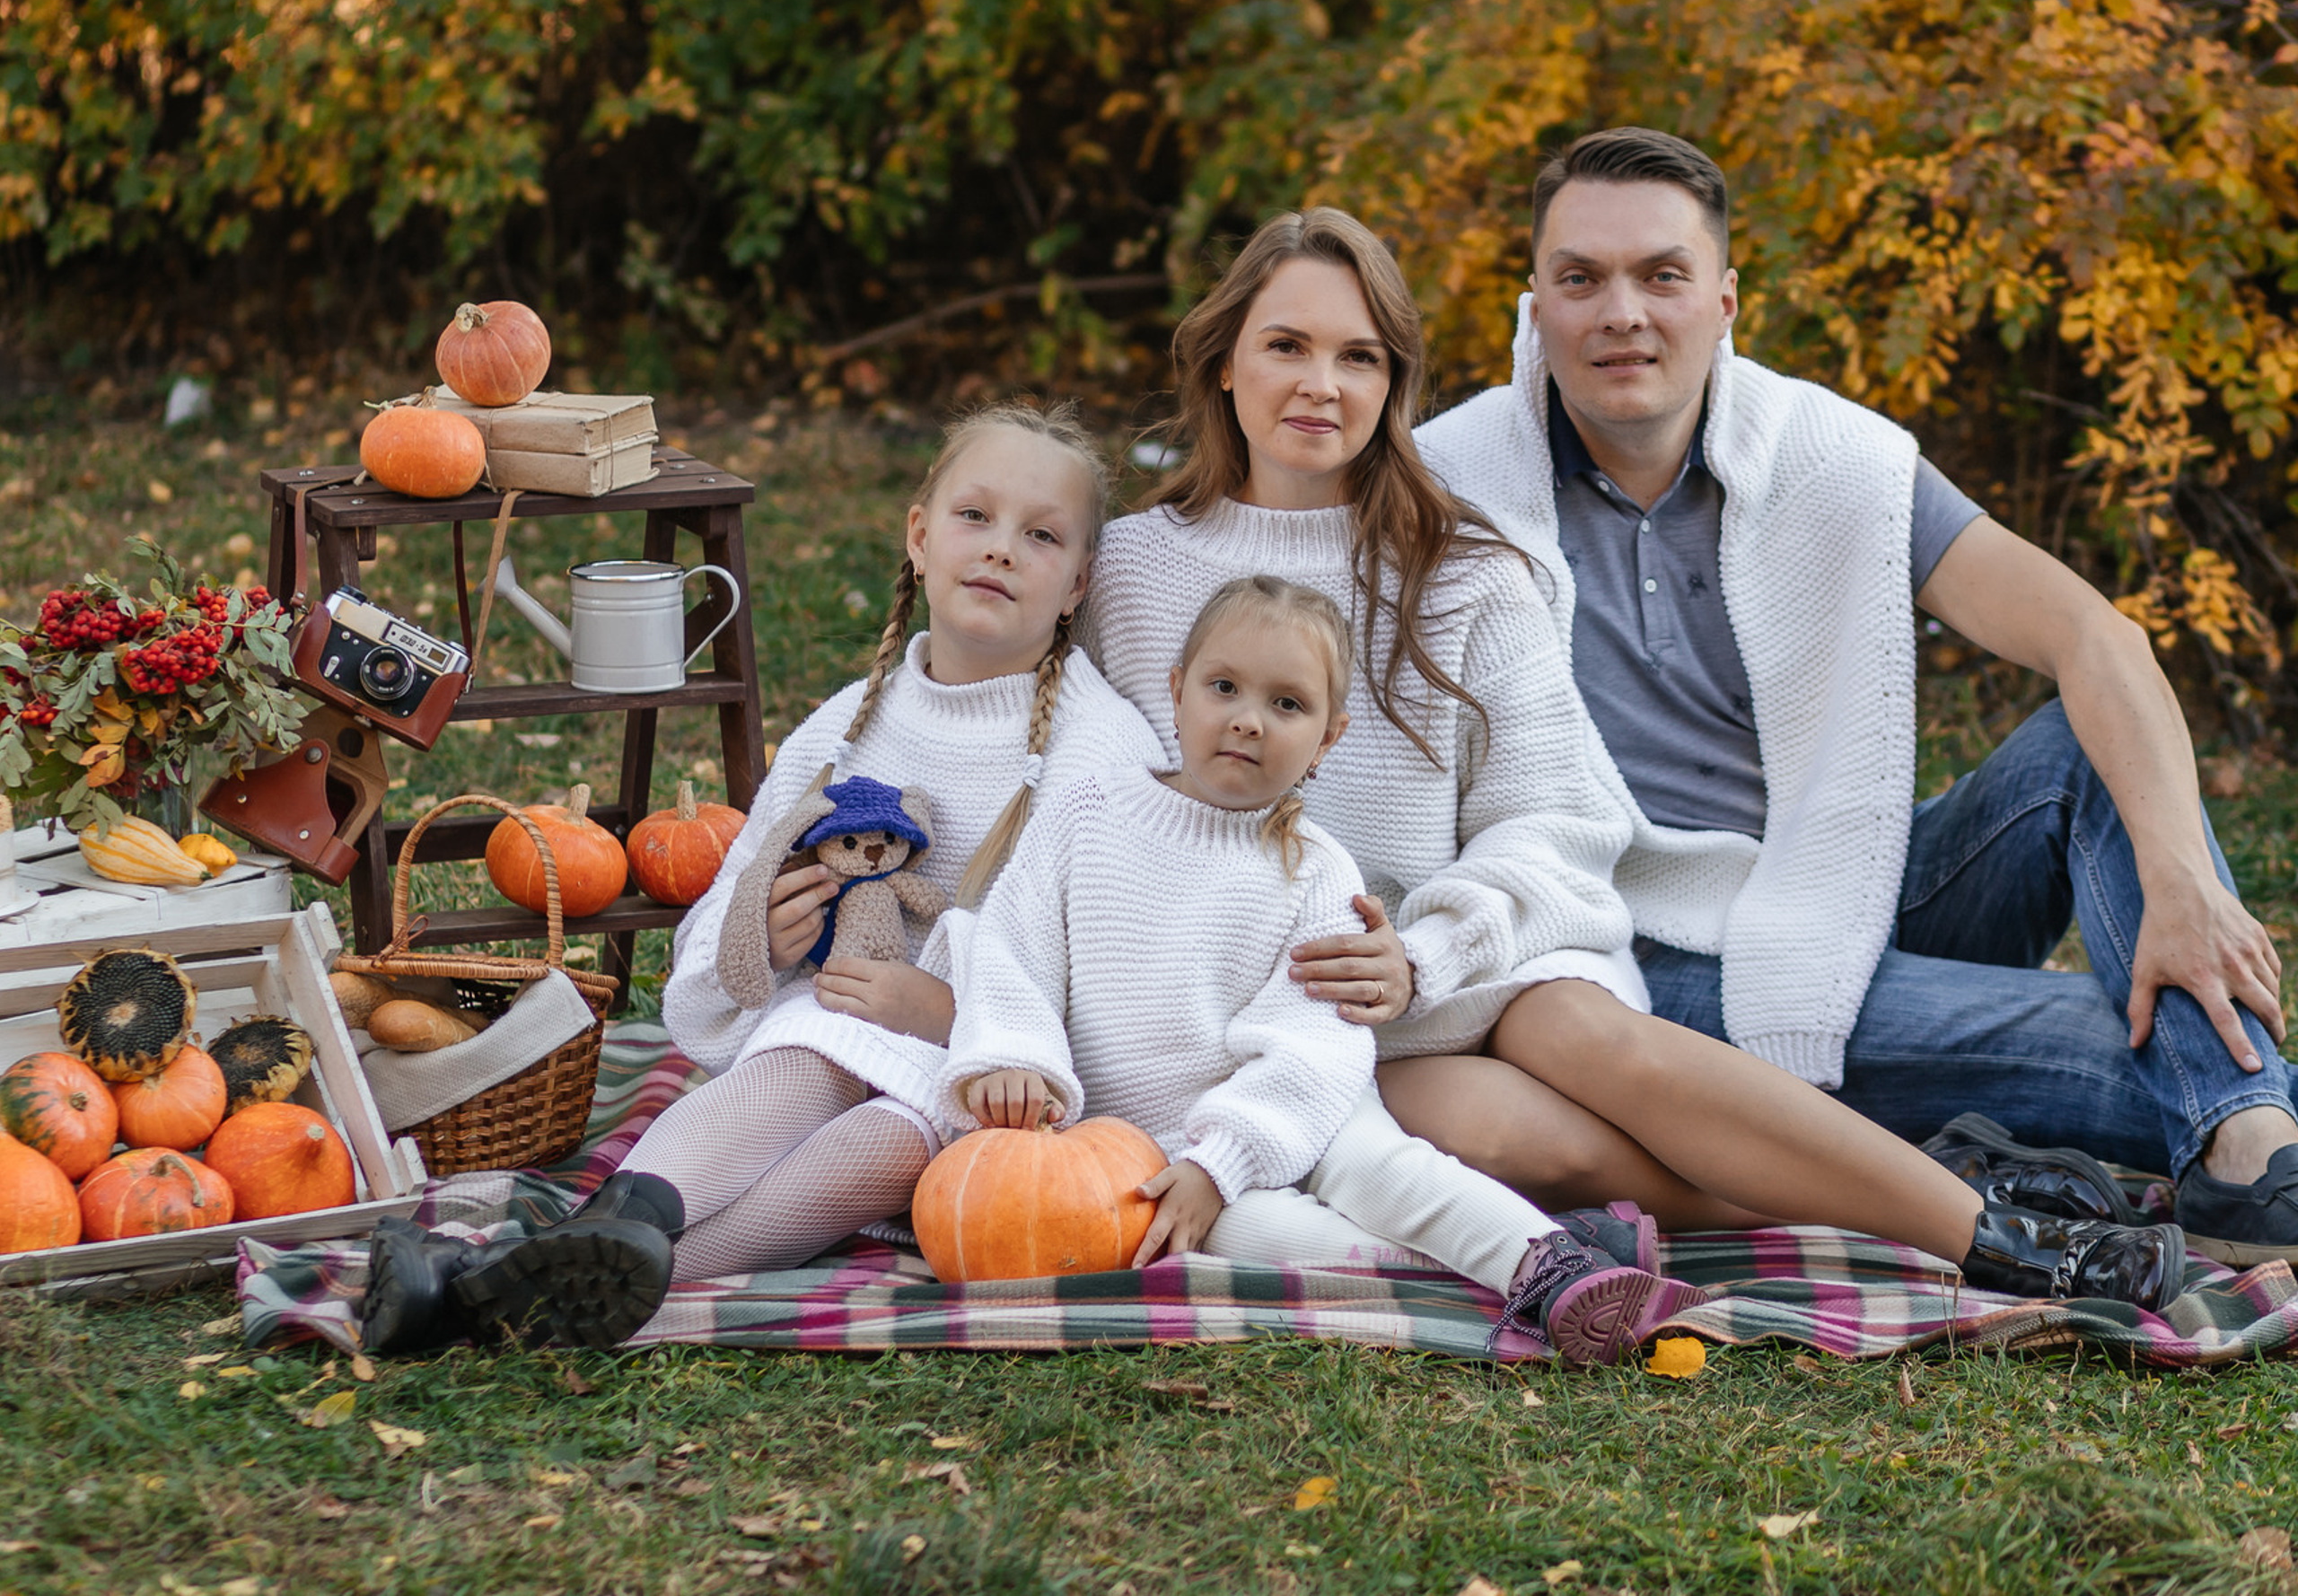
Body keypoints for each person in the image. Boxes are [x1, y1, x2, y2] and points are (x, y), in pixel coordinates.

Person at [1084, 207, 2184, 1320]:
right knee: (1496, 1134)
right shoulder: (1132, 571)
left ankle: (2001, 1243)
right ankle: (1933, 1182)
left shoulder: (1460, 568)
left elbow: (1556, 819)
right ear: (1224, 361)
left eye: (1358, 356)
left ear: (1393, 385)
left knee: (1574, 1026)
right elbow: (1083, 800)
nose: (1320, 382)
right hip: (1245, 1002)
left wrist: (1425, 950)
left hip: (1454, 964)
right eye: (1287, 345)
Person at [1415, 126, 2298, 1265]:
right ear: (1534, 301)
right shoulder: (1444, 487)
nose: (1620, 312)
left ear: (1725, 300)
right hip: (1643, 960)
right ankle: (2250, 1143)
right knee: (2117, 1044)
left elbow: (2094, 633)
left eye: (1662, 275)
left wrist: (2180, 883)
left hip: (1846, 891)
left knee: (2085, 758)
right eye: (1580, 277)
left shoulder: (1828, 456)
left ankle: (2248, 1144)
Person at [359, 401, 1163, 1354]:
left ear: (1077, 582)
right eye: (974, 517)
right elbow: (730, 913)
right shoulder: (846, 728)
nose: (999, 550)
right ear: (917, 535)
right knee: (813, 1052)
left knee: (885, 1144)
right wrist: (765, 940)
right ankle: (593, 1247)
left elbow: (1117, 983)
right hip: (824, 1038)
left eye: (1040, 536)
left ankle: (521, 1277)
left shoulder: (1102, 752)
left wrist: (943, 1013)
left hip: (979, 1082)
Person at [944, 573, 1710, 1367]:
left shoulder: (1314, 872)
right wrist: (1013, 1056)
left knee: (1386, 1174)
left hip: (1302, 1111)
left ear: (1327, 737)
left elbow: (1314, 1044)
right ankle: (1554, 1268)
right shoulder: (1086, 813)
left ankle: (1547, 1267)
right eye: (1224, 687)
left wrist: (1228, 1155)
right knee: (1261, 1238)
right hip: (1154, 1144)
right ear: (1177, 694)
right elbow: (1011, 948)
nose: (1248, 719)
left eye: (1287, 704)